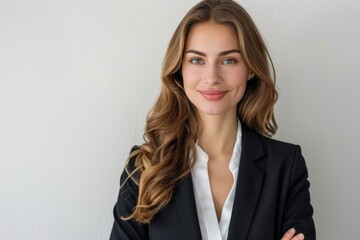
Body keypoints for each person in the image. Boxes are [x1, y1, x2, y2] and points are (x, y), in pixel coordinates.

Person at [110, 0, 315, 239]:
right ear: (180, 69)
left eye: (229, 60)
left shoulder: (285, 166)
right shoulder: (144, 167)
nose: (212, 77)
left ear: (250, 68)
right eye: (197, 60)